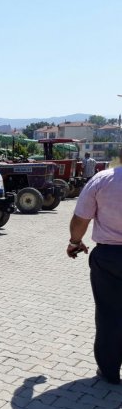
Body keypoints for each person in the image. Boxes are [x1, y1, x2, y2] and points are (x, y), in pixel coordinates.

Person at [67, 149, 122, 384]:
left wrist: (75, 242)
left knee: (109, 314)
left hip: (109, 257)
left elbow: (81, 218)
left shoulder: (103, 179)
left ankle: (109, 371)